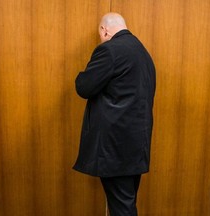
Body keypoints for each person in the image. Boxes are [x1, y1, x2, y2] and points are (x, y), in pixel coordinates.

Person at [73, 12, 156, 216]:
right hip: (137, 145)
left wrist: (80, 77)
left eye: (100, 34)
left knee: (121, 207)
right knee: (126, 201)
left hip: (116, 147)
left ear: (105, 30)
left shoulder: (110, 50)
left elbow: (84, 87)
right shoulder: (143, 53)